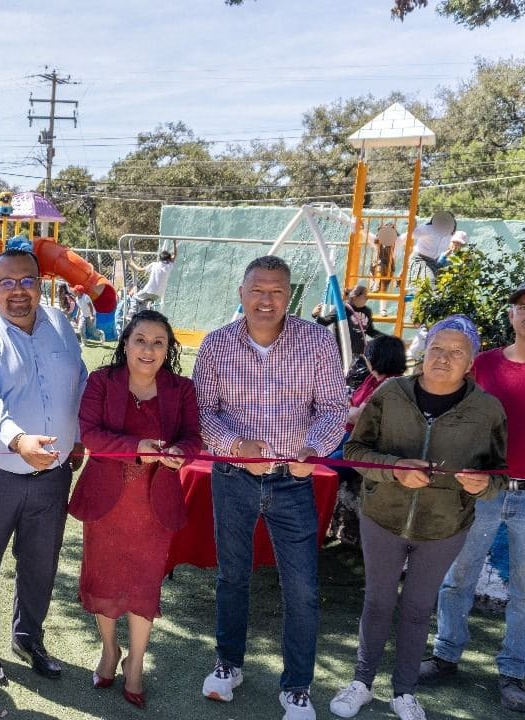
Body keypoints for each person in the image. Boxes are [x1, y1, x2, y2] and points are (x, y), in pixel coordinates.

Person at [193, 254, 348, 719]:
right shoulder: (217, 345)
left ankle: (297, 687)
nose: (267, 299)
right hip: (232, 478)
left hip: (294, 483)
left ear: (290, 296)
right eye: (258, 289)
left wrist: (315, 449)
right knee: (232, 577)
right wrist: (234, 443)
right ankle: (228, 665)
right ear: (240, 293)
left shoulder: (317, 342)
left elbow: (334, 409)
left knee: (301, 587)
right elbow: (202, 411)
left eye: (277, 291)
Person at [332, 315, 506, 720]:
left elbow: (499, 473)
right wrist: (393, 467)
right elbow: (354, 452)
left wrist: (484, 486)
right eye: (437, 349)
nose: (444, 358)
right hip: (383, 517)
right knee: (376, 602)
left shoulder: (487, 410)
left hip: (444, 527)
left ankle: (405, 691)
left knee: (417, 607)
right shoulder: (391, 394)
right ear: (423, 353)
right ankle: (361, 681)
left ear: (470, 363)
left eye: (456, 353)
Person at [420, 277, 525, 713]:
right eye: (523, 305)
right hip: (479, 491)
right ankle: (446, 655)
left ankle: (513, 672)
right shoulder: (482, 364)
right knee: (458, 578)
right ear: (510, 314)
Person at [0, 247, 88, 686]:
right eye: (6, 282)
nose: (17, 291)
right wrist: (17, 439)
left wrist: (81, 434)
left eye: (26, 280)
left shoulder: (61, 323)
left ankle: (28, 638)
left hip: (53, 476)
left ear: (41, 283)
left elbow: (80, 378)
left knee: (40, 564)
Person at [68, 310, 201, 709]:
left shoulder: (182, 388)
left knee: (145, 588)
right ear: (125, 343)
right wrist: (135, 448)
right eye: (140, 340)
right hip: (108, 502)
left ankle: (136, 663)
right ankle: (110, 650)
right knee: (104, 581)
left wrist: (181, 453)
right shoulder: (101, 382)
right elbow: (89, 433)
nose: (148, 349)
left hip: (154, 506)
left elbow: (194, 437)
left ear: (168, 349)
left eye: (158, 342)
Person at [330, 334, 408, 547]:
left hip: (365, 447)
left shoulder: (392, 386)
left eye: (368, 356)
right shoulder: (372, 380)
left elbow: (356, 416)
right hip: (348, 436)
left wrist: (341, 408)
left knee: (325, 469)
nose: (365, 359)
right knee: (311, 454)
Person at [312, 284, 382, 387]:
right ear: (355, 297)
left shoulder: (367, 311)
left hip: (359, 353)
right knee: (341, 379)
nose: (367, 299)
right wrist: (315, 315)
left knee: (356, 380)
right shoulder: (342, 309)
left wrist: (386, 338)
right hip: (343, 352)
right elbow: (324, 322)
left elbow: (370, 331)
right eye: (365, 296)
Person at [410, 211, 456, 278]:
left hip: (433, 261)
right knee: (429, 281)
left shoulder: (448, 234)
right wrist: (413, 224)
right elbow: (413, 235)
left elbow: (443, 249)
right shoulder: (429, 228)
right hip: (420, 258)